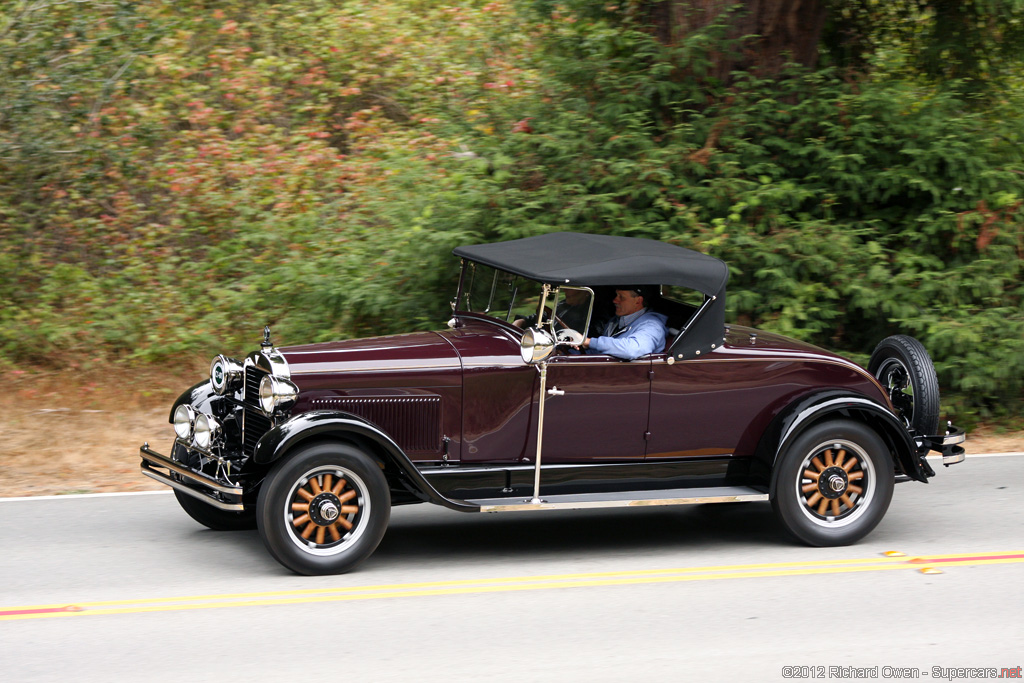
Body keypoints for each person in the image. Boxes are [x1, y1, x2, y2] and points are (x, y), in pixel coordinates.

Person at [580, 286, 667, 360]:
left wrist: (589, 342)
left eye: (621, 297)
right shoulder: (616, 321)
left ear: (638, 301)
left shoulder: (652, 326)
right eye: (616, 295)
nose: (615, 300)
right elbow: (598, 352)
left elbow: (632, 349)